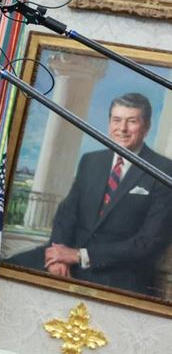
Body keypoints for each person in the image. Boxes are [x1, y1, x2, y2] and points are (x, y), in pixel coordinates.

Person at [9, 93, 172, 297]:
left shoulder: (164, 171)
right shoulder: (91, 161)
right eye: (117, 120)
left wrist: (79, 256)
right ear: (109, 124)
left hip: (119, 271)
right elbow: (66, 215)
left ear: (146, 126)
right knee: (5, 269)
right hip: (68, 257)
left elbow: (148, 243)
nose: (122, 128)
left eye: (131, 121)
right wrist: (57, 257)